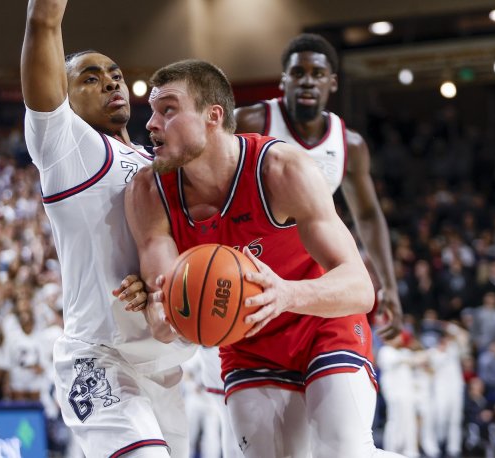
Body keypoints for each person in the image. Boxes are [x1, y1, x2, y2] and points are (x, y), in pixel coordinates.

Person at [126, 59, 403, 457]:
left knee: (342, 450)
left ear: (213, 116)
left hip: (321, 323)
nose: (151, 124)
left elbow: (360, 288)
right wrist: (168, 314)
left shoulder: (280, 169)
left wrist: (286, 295)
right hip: (245, 340)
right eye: (152, 112)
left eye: (167, 110)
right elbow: (163, 315)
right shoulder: (149, 191)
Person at [21, 0, 194, 456]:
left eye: (114, 74)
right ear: (63, 95)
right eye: (90, 78)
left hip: (163, 363)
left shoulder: (155, 161)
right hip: (98, 356)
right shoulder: (67, 147)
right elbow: (43, 21)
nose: (110, 82)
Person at [234, 33, 403, 339]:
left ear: (333, 82)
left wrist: (389, 285)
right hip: (255, 265)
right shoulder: (250, 121)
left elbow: (367, 215)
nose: (308, 82)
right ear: (284, 80)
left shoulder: (350, 143)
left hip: (314, 276)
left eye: (318, 74)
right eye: (298, 73)